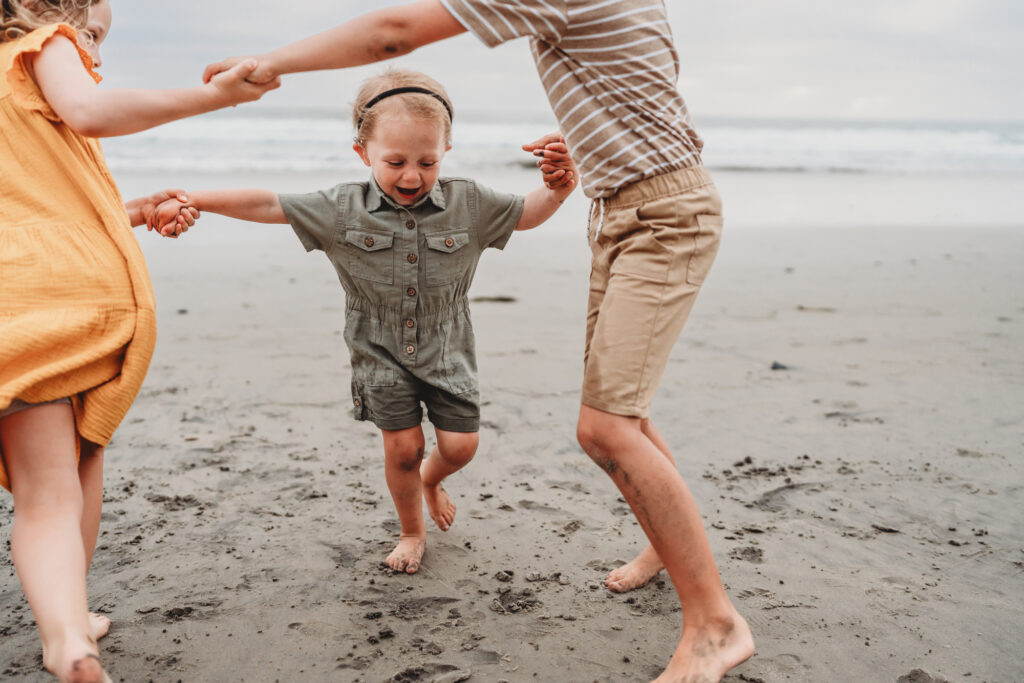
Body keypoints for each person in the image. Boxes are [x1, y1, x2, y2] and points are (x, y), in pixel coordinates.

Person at [201, 3, 754, 681]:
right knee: (626, 417)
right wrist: (595, 138)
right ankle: (663, 548)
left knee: (606, 428)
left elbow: (394, 35)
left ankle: (715, 624)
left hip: (659, 213)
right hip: (623, 208)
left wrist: (270, 64)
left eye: (425, 160)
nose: (411, 173)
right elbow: (646, 77)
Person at [140, 68, 578, 575]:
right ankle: (412, 530)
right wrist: (196, 200)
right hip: (378, 348)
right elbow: (268, 203)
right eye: (394, 162)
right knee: (404, 448)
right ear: (362, 152)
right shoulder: (339, 207)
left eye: (427, 162)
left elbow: (528, 213)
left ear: (446, 150)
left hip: (448, 345)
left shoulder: (471, 203)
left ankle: (433, 480)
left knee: (460, 446)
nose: (411, 176)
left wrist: (560, 188)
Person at [0, 1, 280, 680]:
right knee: (69, 472)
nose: (94, 53)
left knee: (43, 486)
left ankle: (69, 625)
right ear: (46, 7)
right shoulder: (42, 42)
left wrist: (130, 210)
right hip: (59, 291)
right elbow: (92, 111)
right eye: (93, 34)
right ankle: (69, 638)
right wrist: (212, 96)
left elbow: (32, 202)